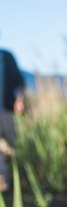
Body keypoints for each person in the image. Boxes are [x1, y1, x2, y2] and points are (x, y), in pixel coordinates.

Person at [0, 48, 25, 191]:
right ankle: (3, 185)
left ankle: (9, 182)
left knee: (10, 146)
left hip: (7, 110)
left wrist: (20, 99)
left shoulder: (6, 57)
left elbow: (19, 81)